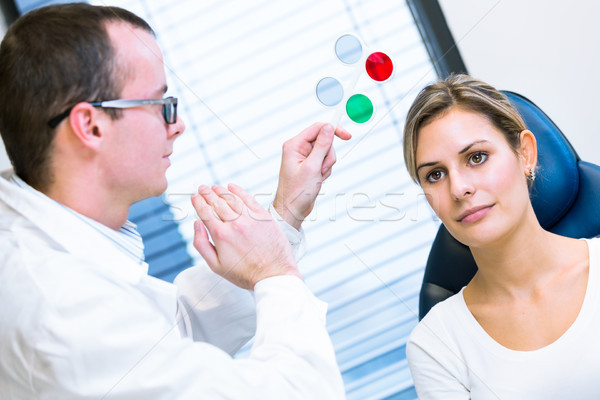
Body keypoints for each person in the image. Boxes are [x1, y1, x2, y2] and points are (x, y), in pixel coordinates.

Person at [0, 3, 352, 399]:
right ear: (91, 125)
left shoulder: (35, 238)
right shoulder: (62, 311)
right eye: (161, 105)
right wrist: (277, 274)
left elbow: (166, 334)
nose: (178, 125)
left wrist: (284, 215)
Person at [403, 74, 600, 399]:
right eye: (435, 175)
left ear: (525, 154)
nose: (458, 188)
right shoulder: (436, 344)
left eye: (476, 157)